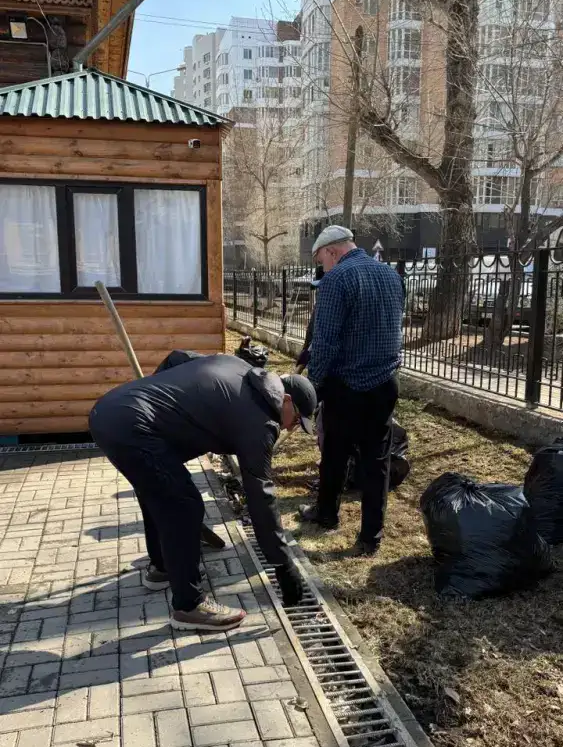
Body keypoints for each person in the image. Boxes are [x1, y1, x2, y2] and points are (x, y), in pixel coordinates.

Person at [89, 354, 317, 631]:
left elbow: (177, 358)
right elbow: (260, 495)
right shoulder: (260, 423)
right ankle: (189, 606)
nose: (291, 427)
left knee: (159, 491)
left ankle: (162, 566)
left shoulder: (238, 366)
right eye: (297, 420)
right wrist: (282, 564)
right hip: (134, 427)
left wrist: (158, 399)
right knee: (184, 506)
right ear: (287, 400)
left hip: (112, 411)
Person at [299, 225, 404, 556]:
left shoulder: (337, 280)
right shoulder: (391, 276)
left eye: (321, 260)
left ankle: (327, 514)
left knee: (334, 453)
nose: (322, 268)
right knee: (377, 461)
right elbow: (394, 328)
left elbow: (325, 341)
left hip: (346, 386)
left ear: (332, 251)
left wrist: (313, 385)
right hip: (384, 383)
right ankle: (370, 537)